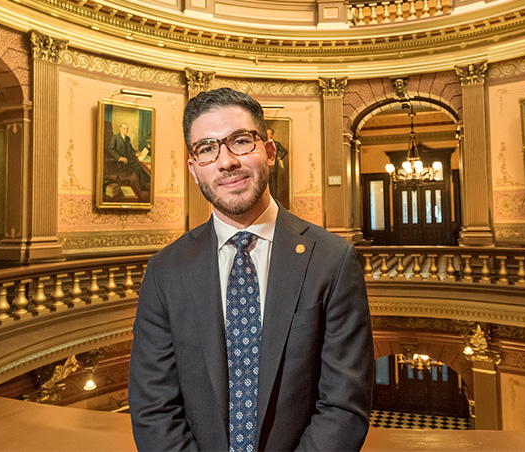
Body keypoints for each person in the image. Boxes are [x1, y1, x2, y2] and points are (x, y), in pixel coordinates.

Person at [129, 88, 374, 451]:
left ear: (270, 152)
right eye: (207, 149)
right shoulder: (166, 271)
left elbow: (343, 405)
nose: (226, 161)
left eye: (240, 141)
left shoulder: (332, 260)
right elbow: (154, 407)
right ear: (195, 169)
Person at [107, 122, 151, 192]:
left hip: (129, 159)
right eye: (124, 128)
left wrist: (136, 153)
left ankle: (146, 185)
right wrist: (119, 158)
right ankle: (144, 186)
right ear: (120, 129)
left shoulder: (128, 139)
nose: (126, 130)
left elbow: (130, 150)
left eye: (127, 129)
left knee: (140, 166)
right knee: (138, 169)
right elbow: (110, 149)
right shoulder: (115, 137)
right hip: (120, 161)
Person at [266, 127, 288, 202]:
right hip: (264, 168)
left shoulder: (276, 143)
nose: (268, 135)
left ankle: (274, 201)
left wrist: (280, 157)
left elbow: (285, 151)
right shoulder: (262, 143)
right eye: (267, 134)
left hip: (273, 168)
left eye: (270, 134)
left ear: (272, 135)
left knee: (274, 185)